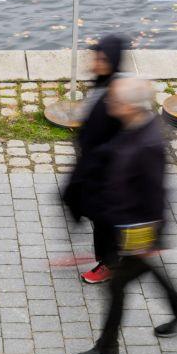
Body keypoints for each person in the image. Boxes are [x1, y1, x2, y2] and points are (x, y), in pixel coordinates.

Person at [70, 77, 177, 354]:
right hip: (129, 225)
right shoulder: (135, 128)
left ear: (129, 106)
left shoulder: (148, 144)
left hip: (137, 229)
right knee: (141, 270)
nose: (110, 104)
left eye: (115, 101)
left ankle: (107, 348)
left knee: (117, 285)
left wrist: (143, 238)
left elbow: (154, 195)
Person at [61, 34, 127, 284]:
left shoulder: (117, 93)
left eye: (100, 58)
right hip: (95, 166)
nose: (95, 62)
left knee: (103, 218)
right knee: (94, 212)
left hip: (106, 172)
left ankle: (110, 262)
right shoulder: (103, 83)